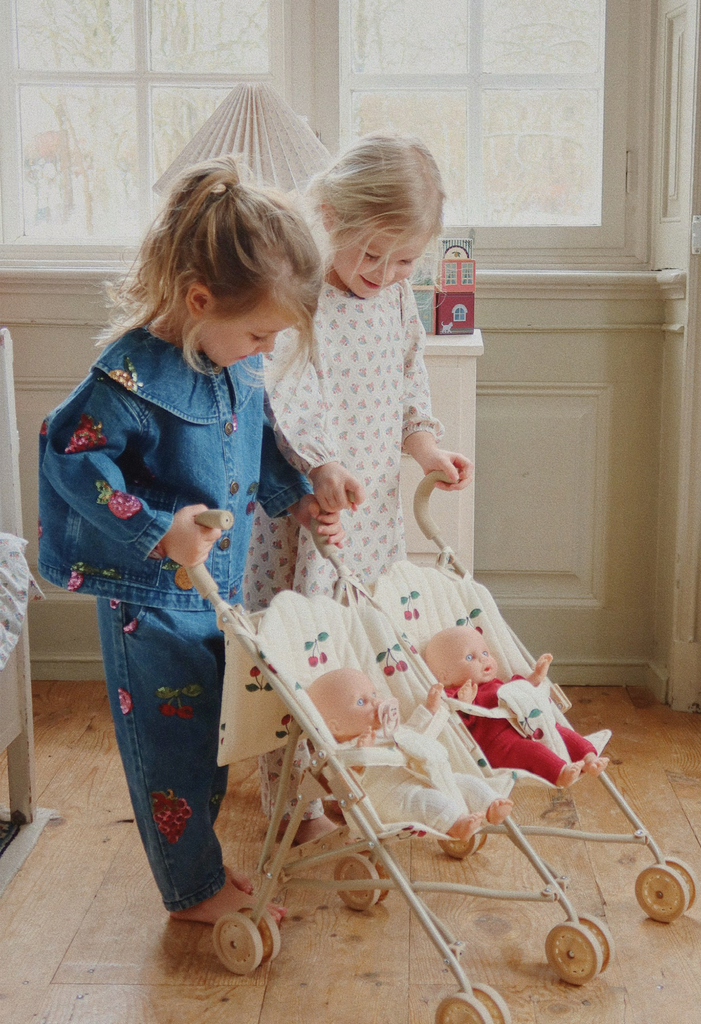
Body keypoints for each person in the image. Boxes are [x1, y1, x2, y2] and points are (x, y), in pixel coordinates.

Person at [37, 156, 345, 925]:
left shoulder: (230, 363)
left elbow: (257, 448)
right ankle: (194, 888)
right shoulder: (129, 377)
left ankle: (199, 869)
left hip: (216, 587)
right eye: (261, 332)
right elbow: (69, 452)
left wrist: (298, 500)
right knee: (170, 751)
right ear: (198, 299)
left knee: (210, 732)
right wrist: (154, 527)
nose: (266, 349)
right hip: (150, 601)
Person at [244, 132, 474, 841]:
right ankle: (295, 801)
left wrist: (427, 446)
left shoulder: (398, 296)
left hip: (369, 520)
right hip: (308, 515)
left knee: (370, 647)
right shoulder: (303, 293)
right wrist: (319, 466)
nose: (383, 271)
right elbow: (286, 390)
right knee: (304, 655)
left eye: (403, 258)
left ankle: (362, 775)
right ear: (328, 218)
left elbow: (409, 378)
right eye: (370, 253)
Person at [307, 668, 513, 840]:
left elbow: (412, 732)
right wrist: (360, 756)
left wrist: (430, 709)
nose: (376, 703)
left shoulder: (387, 729)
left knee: (466, 782)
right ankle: (458, 824)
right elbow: (346, 784)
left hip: (426, 777)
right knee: (429, 802)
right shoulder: (344, 751)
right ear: (336, 726)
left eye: (374, 695)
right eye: (361, 702)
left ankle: (491, 805)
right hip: (393, 798)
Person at [423, 626, 610, 788]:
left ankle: (589, 759)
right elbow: (454, 723)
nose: (483, 659)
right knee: (531, 751)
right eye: (470, 657)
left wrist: (536, 677)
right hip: (500, 743)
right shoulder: (454, 693)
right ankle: (560, 773)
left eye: (485, 653)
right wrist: (463, 704)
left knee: (560, 731)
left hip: (526, 724)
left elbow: (519, 691)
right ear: (445, 676)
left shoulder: (496, 683)